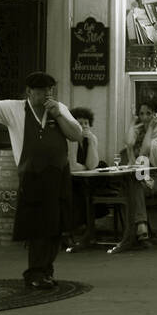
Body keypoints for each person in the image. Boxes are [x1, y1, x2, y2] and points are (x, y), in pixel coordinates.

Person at [0, 57, 83, 291]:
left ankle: (47, 270)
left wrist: (59, 115)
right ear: (29, 92)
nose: (46, 95)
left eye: (49, 90)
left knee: (56, 227)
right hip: (33, 177)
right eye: (41, 91)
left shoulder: (58, 109)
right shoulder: (14, 109)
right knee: (38, 228)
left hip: (58, 175)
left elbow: (76, 135)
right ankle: (34, 272)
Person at [114, 100, 157, 252]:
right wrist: (132, 124)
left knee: (130, 187)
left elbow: (145, 151)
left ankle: (134, 233)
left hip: (155, 177)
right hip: (137, 175)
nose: (144, 118)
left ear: (156, 115)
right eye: (142, 114)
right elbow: (129, 145)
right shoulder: (139, 129)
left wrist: (150, 127)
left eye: (148, 114)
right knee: (132, 185)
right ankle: (140, 231)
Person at [66, 106, 101, 249]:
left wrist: (92, 142)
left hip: (83, 178)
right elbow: (73, 166)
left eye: (86, 123)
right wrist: (87, 167)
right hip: (69, 178)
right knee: (81, 191)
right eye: (79, 123)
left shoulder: (91, 138)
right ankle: (80, 230)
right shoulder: (71, 139)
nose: (83, 126)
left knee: (90, 187)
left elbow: (93, 165)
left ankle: (89, 231)